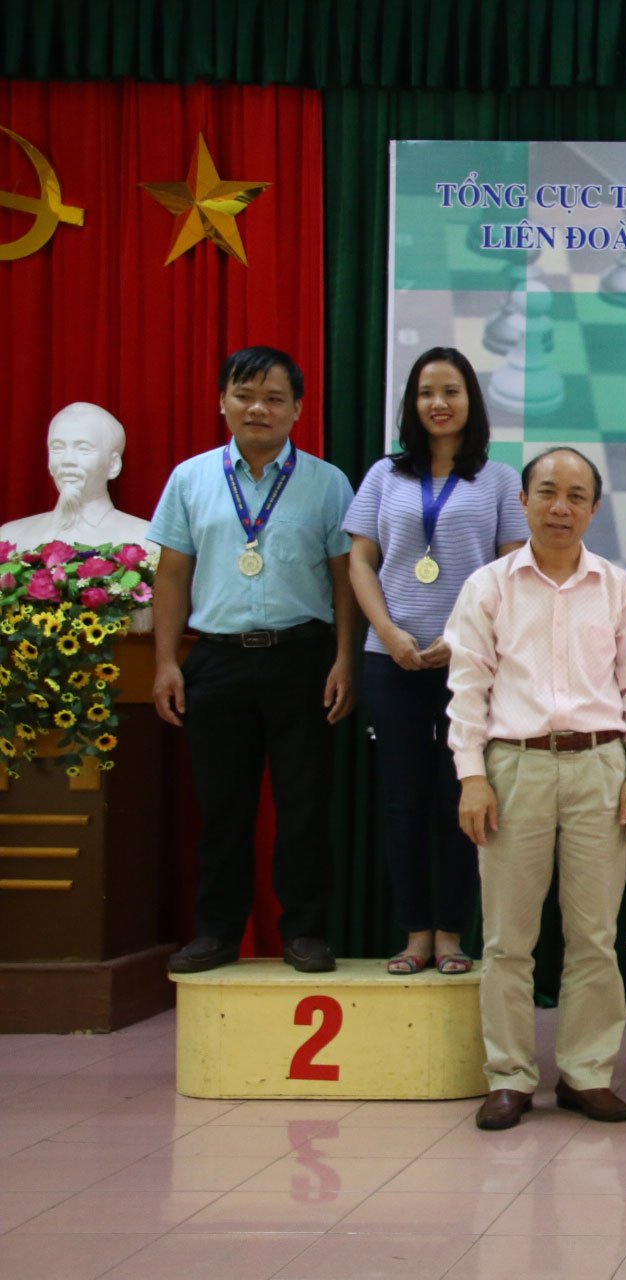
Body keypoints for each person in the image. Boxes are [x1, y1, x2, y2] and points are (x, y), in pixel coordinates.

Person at [444, 447, 626, 1131]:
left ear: (593, 509)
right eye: (546, 493)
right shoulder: (489, 586)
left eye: (575, 496)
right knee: (507, 938)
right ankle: (509, 1076)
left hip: (600, 767)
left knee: (593, 935)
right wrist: (471, 775)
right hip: (514, 768)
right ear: (524, 502)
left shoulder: (618, 589)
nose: (560, 508)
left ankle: (585, 1074)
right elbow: (467, 689)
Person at [150, 347, 357, 975]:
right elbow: (172, 574)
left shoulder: (327, 482)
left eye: (273, 398)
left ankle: (305, 932)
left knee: (304, 809)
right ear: (223, 402)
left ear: (298, 408)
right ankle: (217, 933)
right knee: (223, 810)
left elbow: (346, 579)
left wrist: (346, 659)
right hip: (216, 661)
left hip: (303, 659)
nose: (257, 408)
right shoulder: (190, 479)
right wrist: (165, 662)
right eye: (244, 395)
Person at [345, 347, 528, 976]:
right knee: (402, 804)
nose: (438, 403)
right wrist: (387, 631)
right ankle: (414, 934)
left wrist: (466, 637)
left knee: (462, 799)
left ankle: (452, 934)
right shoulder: (383, 475)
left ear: (471, 400)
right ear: (412, 403)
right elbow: (360, 561)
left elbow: (511, 573)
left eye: (451, 391)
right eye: (426, 392)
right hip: (390, 660)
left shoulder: (498, 479)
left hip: (468, 665)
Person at [0, 402, 156, 553]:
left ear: (113, 465)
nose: (67, 460)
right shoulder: (10, 538)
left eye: (83, 449)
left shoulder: (145, 542)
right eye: (57, 448)